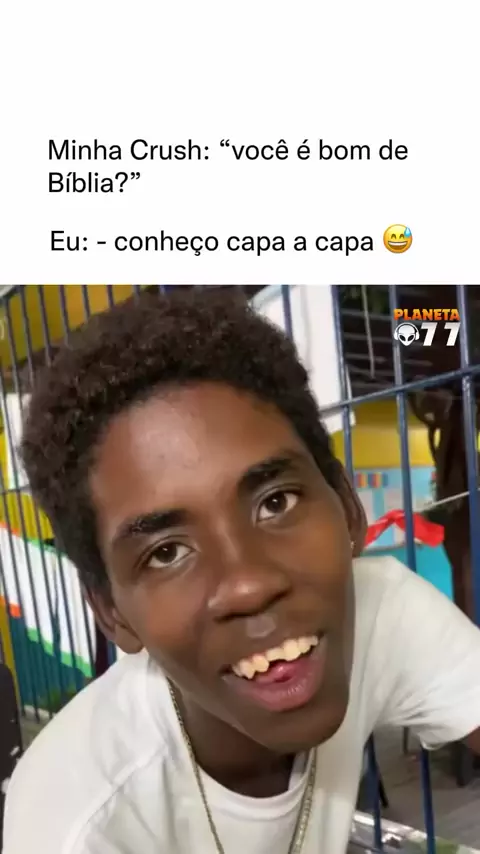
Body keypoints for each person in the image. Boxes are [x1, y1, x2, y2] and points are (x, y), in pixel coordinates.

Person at [4, 288, 480, 854]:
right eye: (165, 552)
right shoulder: (78, 827)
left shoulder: (382, 611)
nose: (249, 586)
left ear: (347, 507)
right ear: (112, 613)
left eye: (276, 502)